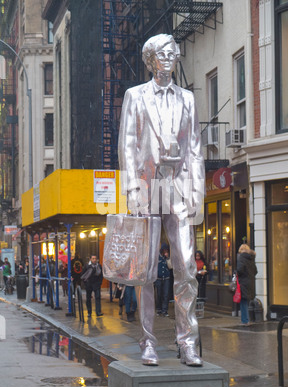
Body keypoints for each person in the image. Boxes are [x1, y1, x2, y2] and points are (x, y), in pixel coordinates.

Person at [118, 34, 205, 367]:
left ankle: (187, 343)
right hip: (146, 188)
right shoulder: (135, 96)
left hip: (179, 190)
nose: (169, 57)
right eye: (162, 54)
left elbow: (195, 147)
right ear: (150, 59)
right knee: (146, 272)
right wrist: (132, 189)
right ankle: (148, 342)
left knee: (186, 269)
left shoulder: (187, 99)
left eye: (173, 53)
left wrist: (196, 191)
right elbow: (127, 145)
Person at [237, 244, 258, 326]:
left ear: (241, 250)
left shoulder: (241, 258)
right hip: (250, 282)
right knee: (246, 301)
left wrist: (236, 273)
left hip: (243, 283)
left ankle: (245, 320)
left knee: (243, 302)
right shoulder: (251, 259)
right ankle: (246, 319)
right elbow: (255, 271)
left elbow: (240, 270)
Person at [155, 244, 171, 317]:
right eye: (164, 250)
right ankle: (159, 309)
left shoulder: (168, 257)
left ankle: (165, 310)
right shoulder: (157, 257)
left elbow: (170, 267)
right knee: (159, 294)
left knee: (166, 294)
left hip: (166, 278)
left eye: (167, 250)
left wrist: (168, 258)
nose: (165, 252)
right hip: (159, 278)